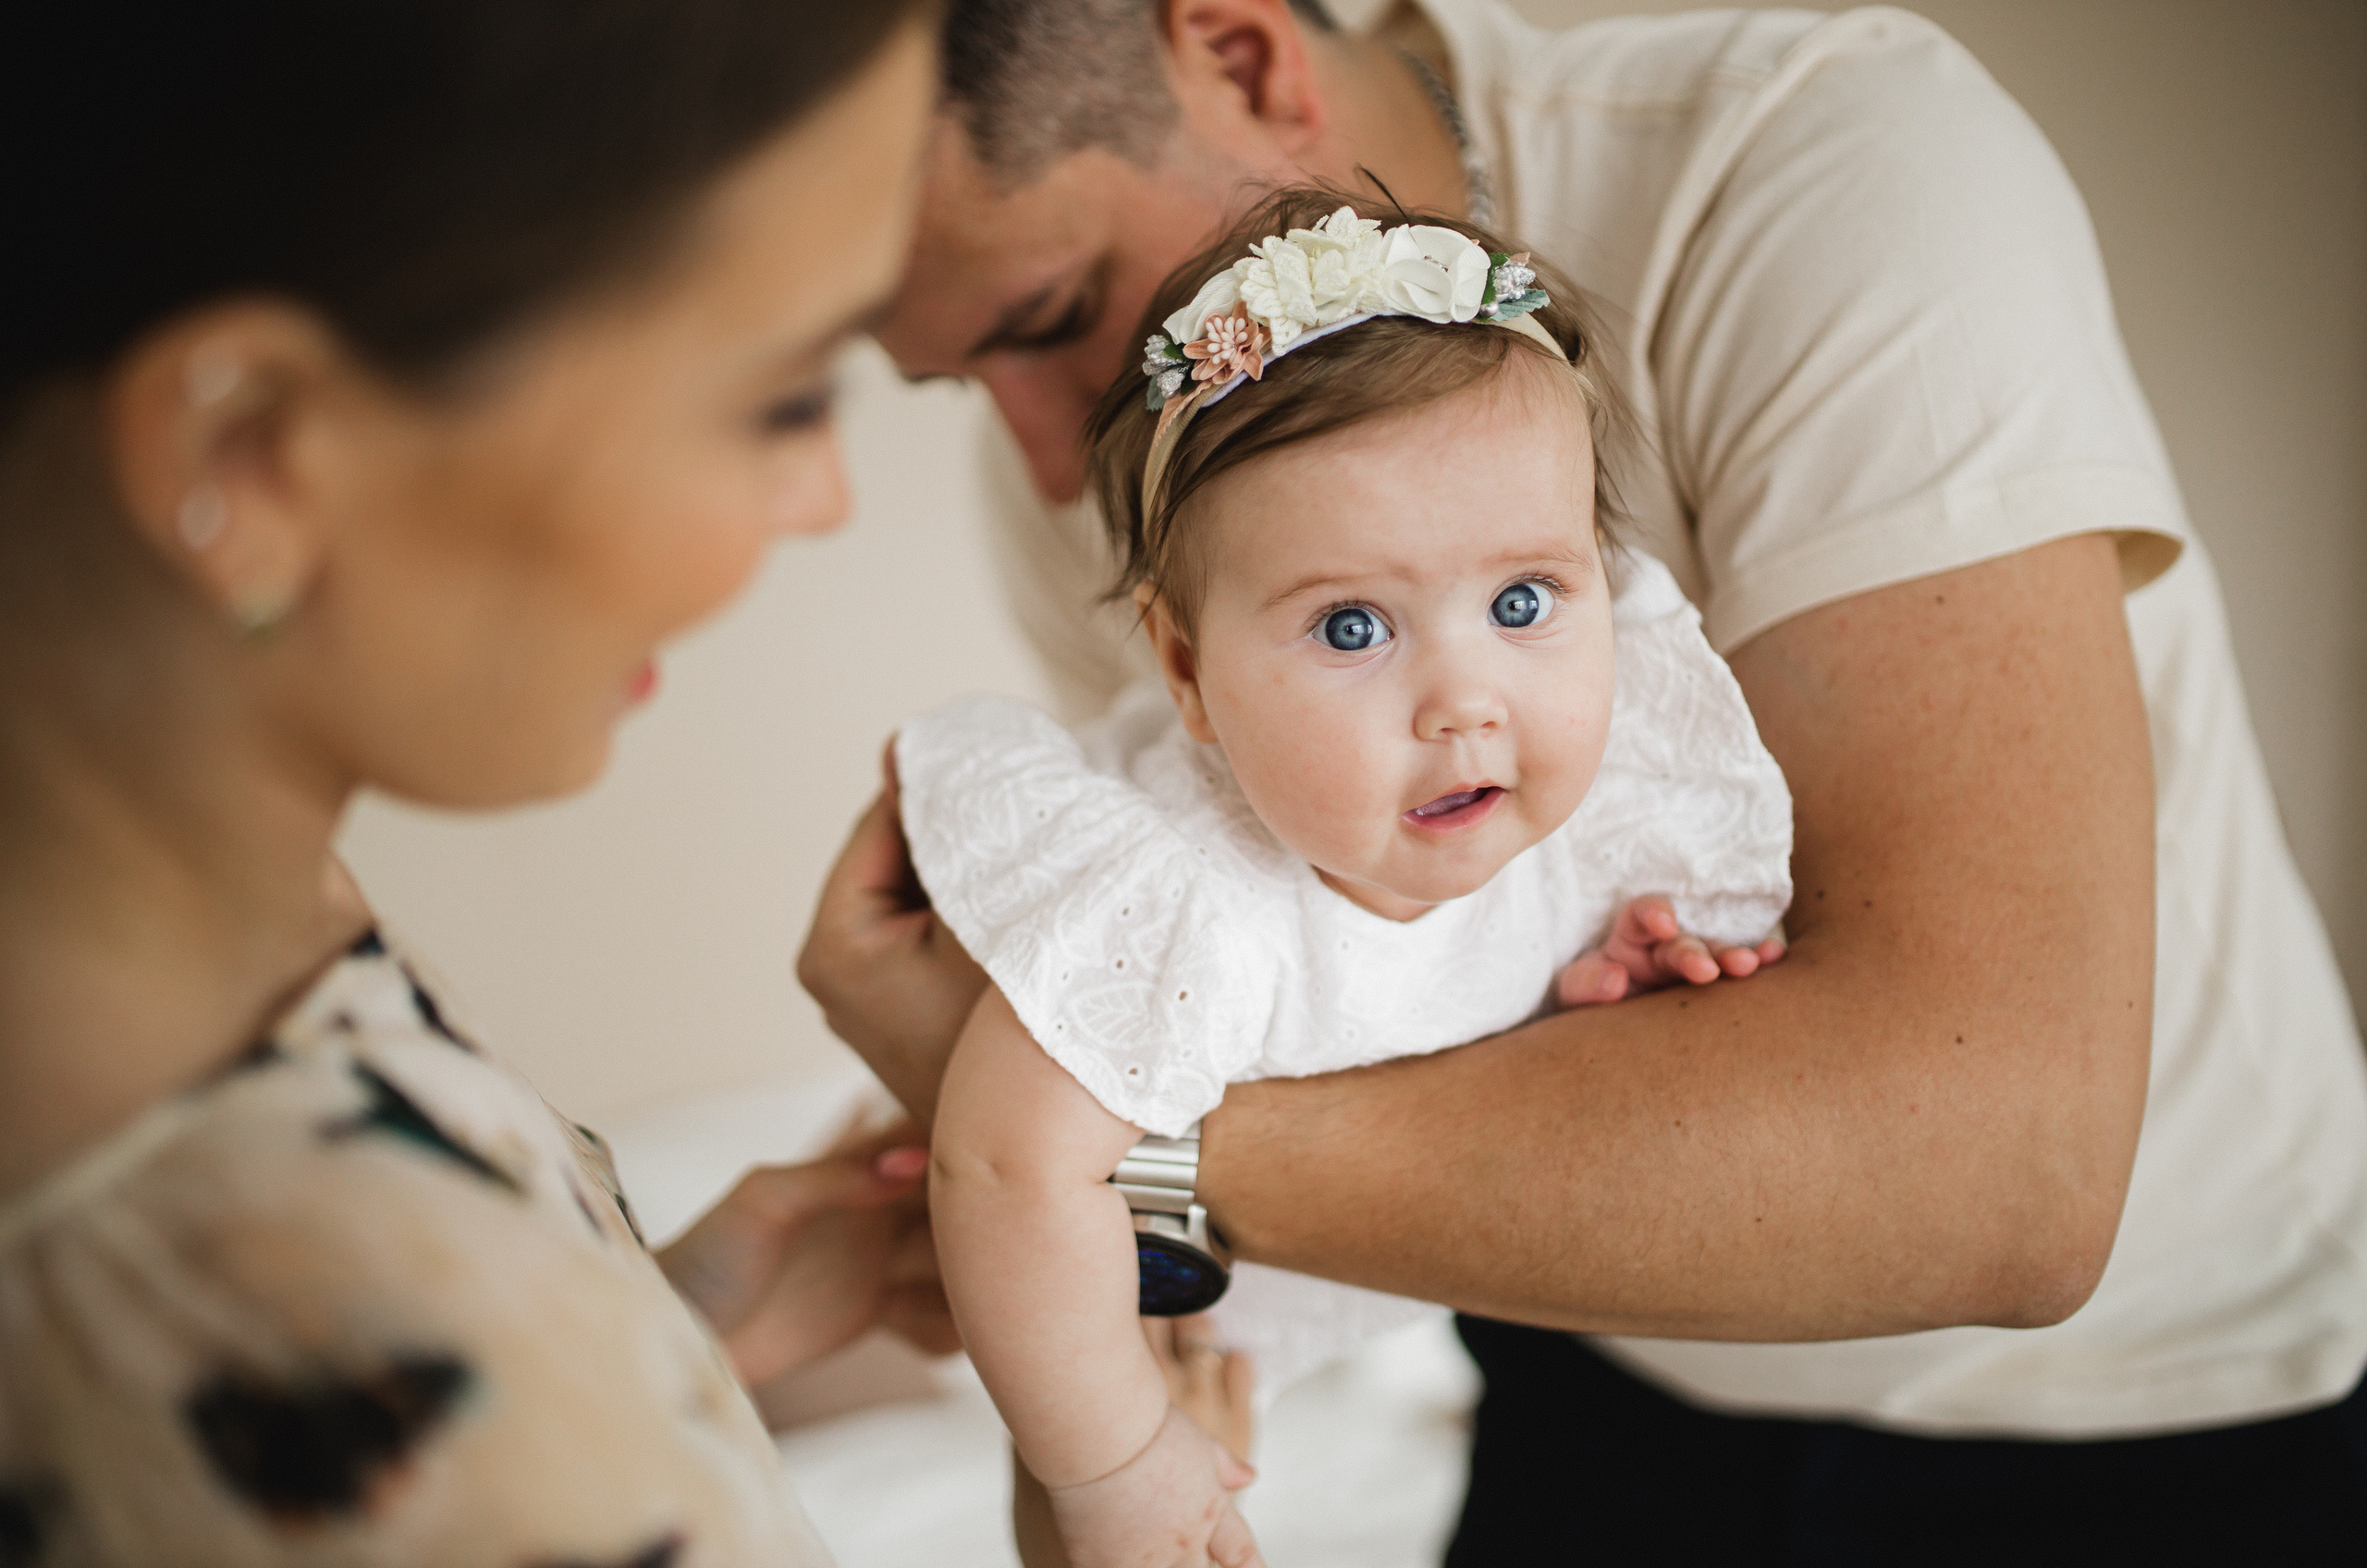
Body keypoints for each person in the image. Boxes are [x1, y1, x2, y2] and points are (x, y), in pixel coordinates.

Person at [802, 0, 2367, 1559]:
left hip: (2141, 1413)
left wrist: (1084, 1138)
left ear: (1236, 54)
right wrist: (1106, 1431)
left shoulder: (1810, 158)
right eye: (956, 378)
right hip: (1581, 1338)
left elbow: (2002, 1174)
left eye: (1052, 309)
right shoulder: (1151, 479)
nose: (1051, 462)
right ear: (1188, 667)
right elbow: (1276, 968)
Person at [0, 5, 967, 1563]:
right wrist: (1106, 1474)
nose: (825, 498)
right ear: (245, 449)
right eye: (786, 398)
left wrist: (647, 1335)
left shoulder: (208, 916)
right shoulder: (336, 1363)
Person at [907, 191, 1792, 1568]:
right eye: (1354, 625)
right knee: (1099, 1466)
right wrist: (1113, 1467)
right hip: (1064, 1255)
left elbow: (1462, 1022)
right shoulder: (1187, 899)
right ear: (1189, 671)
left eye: (1521, 602)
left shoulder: (1584, 811)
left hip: (1314, 1259)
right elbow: (1005, 1166)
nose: (1466, 702)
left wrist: (1591, 990)